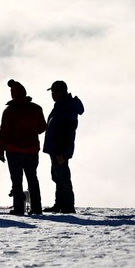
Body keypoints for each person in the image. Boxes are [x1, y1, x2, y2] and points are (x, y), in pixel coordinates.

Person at [0, 79, 46, 216]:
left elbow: (4, 133)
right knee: (33, 179)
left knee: (17, 181)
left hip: (14, 151)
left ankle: (19, 208)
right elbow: (42, 128)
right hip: (32, 150)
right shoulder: (36, 108)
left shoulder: (9, 111)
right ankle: (37, 207)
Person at [42, 80, 85, 214]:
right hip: (56, 149)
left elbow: (65, 132)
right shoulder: (62, 105)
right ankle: (60, 204)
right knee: (58, 177)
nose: (52, 95)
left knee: (63, 177)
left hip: (59, 150)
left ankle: (67, 206)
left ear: (60, 92)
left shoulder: (66, 107)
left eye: (54, 92)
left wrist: (60, 152)